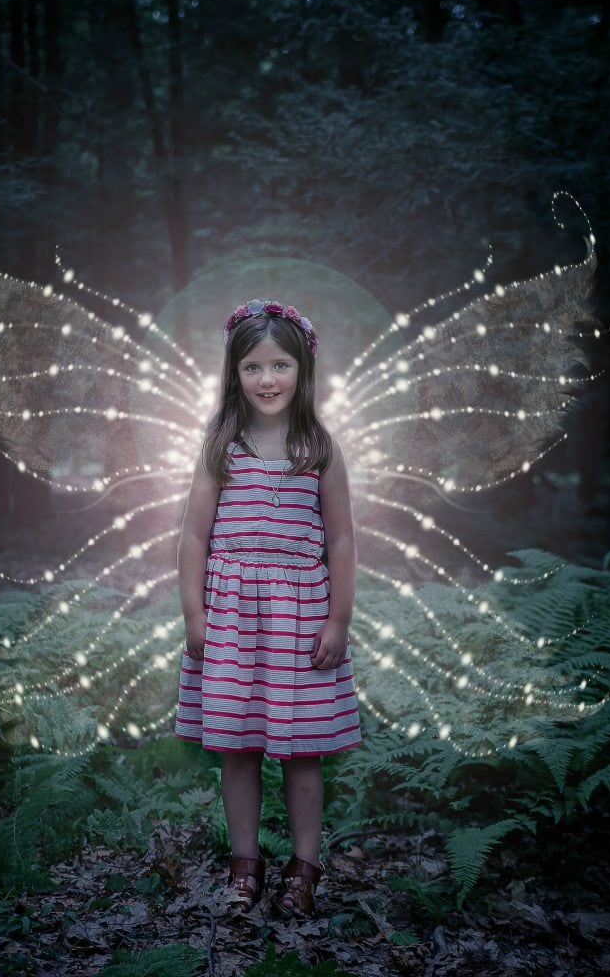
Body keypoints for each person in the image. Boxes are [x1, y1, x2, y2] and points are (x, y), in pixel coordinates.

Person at [174, 298, 361, 918]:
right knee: (239, 747)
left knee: (302, 752)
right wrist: (195, 614)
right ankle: (244, 866)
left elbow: (340, 539)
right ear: (234, 373)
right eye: (253, 367)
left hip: (301, 621)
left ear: (303, 369)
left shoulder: (318, 448)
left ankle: (305, 871)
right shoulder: (222, 445)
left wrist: (338, 619)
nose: (268, 380)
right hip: (232, 621)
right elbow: (194, 536)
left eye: (281, 365)